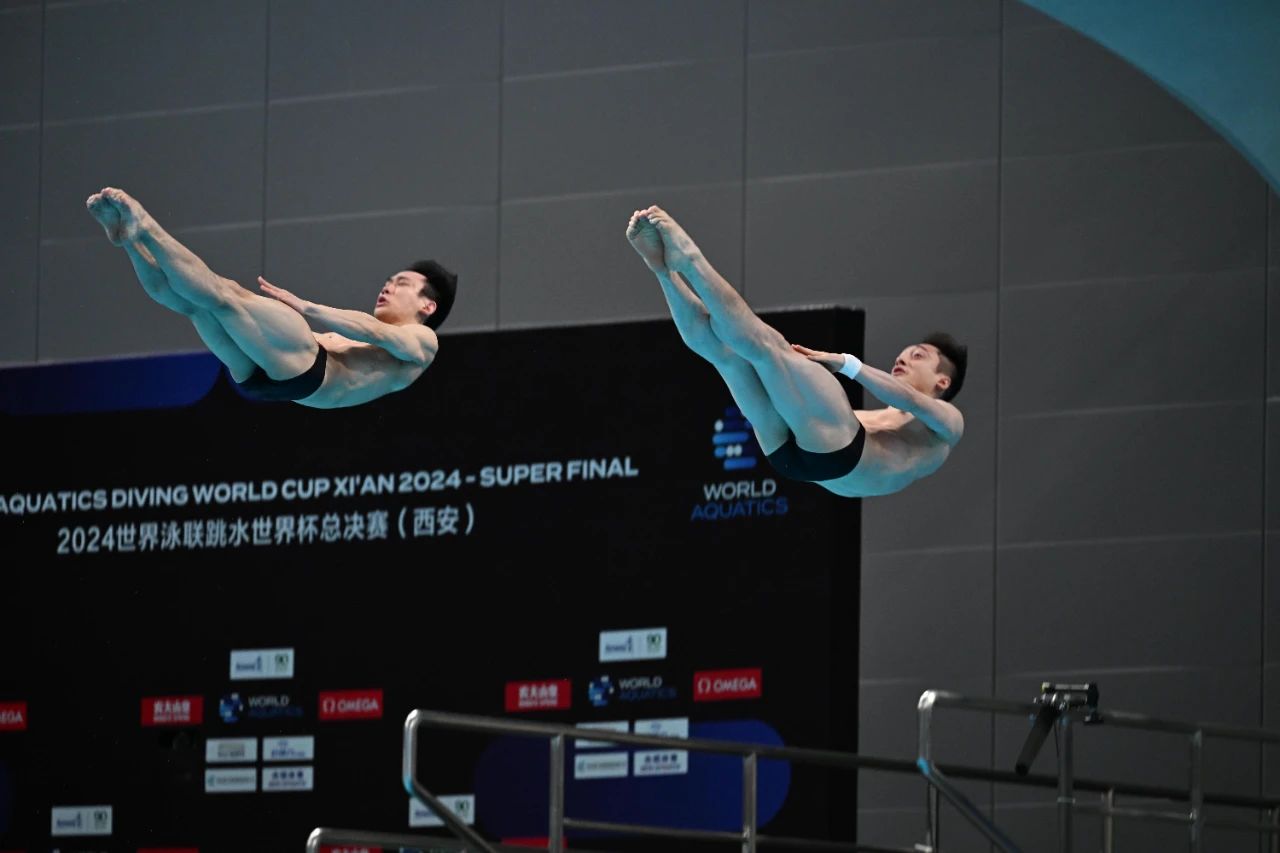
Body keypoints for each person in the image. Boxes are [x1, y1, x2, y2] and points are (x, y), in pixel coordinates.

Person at [626, 205, 965, 497]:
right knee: (727, 357)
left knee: (768, 347)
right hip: (794, 459)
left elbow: (911, 401)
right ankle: (663, 271)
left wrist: (845, 363)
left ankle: (691, 260)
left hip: (840, 454)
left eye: (919, 355)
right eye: (904, 353)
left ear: (943, 381)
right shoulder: (875, 418)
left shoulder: (947, 425)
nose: (903, 358)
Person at [85, 187, 455, 409]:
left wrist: (307, 307)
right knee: (194, 306)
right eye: (388, 280)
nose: (387, 286)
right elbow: (368, 333)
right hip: (274, 378)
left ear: (427, 306)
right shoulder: (365, 341)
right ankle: (130, 241)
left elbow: (377, 333)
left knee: (225, 294)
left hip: (309, 370)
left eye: (401, 283)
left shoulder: (424, 341)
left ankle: (145, 227)